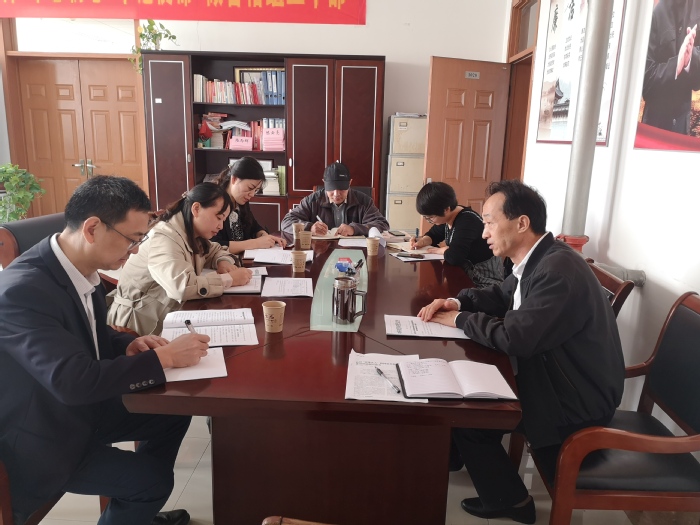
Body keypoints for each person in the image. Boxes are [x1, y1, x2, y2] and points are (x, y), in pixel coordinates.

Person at [0, 175, 211, 525]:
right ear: (92, 228)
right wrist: (163, 358)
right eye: (132, 239)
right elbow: (72, 381)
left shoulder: (80, 269)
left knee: (174, 410)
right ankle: (142, 496)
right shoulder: (20, 292)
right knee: (153, 481)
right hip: (43, 438)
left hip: (81, 412)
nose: (136, 250)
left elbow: (91, 334)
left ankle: (136, 510)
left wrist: (129, 344)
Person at [418, 180, 624, 524]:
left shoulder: (556, 271)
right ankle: (455, 457)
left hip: (575, 400)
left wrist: (461, 320)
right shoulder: (539, 258)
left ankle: (513, 503)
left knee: (470, 412)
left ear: (521, 223)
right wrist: (457, 301)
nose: (484, 232)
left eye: (489, 222)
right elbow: (502, 296)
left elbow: (516, 338)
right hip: (556, 376)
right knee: (464, 393)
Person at [107, 183, 252, 336]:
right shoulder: (164, 237)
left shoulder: (191, 232)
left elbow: (215, 250)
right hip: (136, 327)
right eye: (218, 217)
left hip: (165, 316)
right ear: (196, 209)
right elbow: (181, 287)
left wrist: (223, 262)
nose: (221, 226)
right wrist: (229, 279)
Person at [409, 181, 502, 287]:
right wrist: (422, 241)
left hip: (483, 278)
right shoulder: (448, 217)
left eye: (430, 217)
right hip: (466, 271)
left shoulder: (467, 221)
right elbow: (433, 234)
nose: (429, 221)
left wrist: (442, 250)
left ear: (446, 209)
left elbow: (455, 257)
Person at [281, 161, 389, 236]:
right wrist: (309, 228)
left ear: (350, 183)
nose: (336, 194)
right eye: (331, 189)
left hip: (353, 251)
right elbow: (286, 222)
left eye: (341, 188)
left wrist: (354, 229)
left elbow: (382, 224)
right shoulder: (312, 201)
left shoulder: (364, 201)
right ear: (324, 183)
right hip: (321, 251)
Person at [642, 0, 700, 134]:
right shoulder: (655, 14)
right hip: (654, 125)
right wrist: (676, 65)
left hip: (683, 124)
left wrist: (690, 59)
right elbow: (646, 82)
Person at [212, 157, 287, 253]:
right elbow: (214, 245)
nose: (252, 194)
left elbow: (253, 225)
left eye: (256, 190)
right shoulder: (214, 202)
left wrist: (264, 236)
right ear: (234, 179)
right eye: (250, 188)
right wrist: (256, 243)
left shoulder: (241, 200)